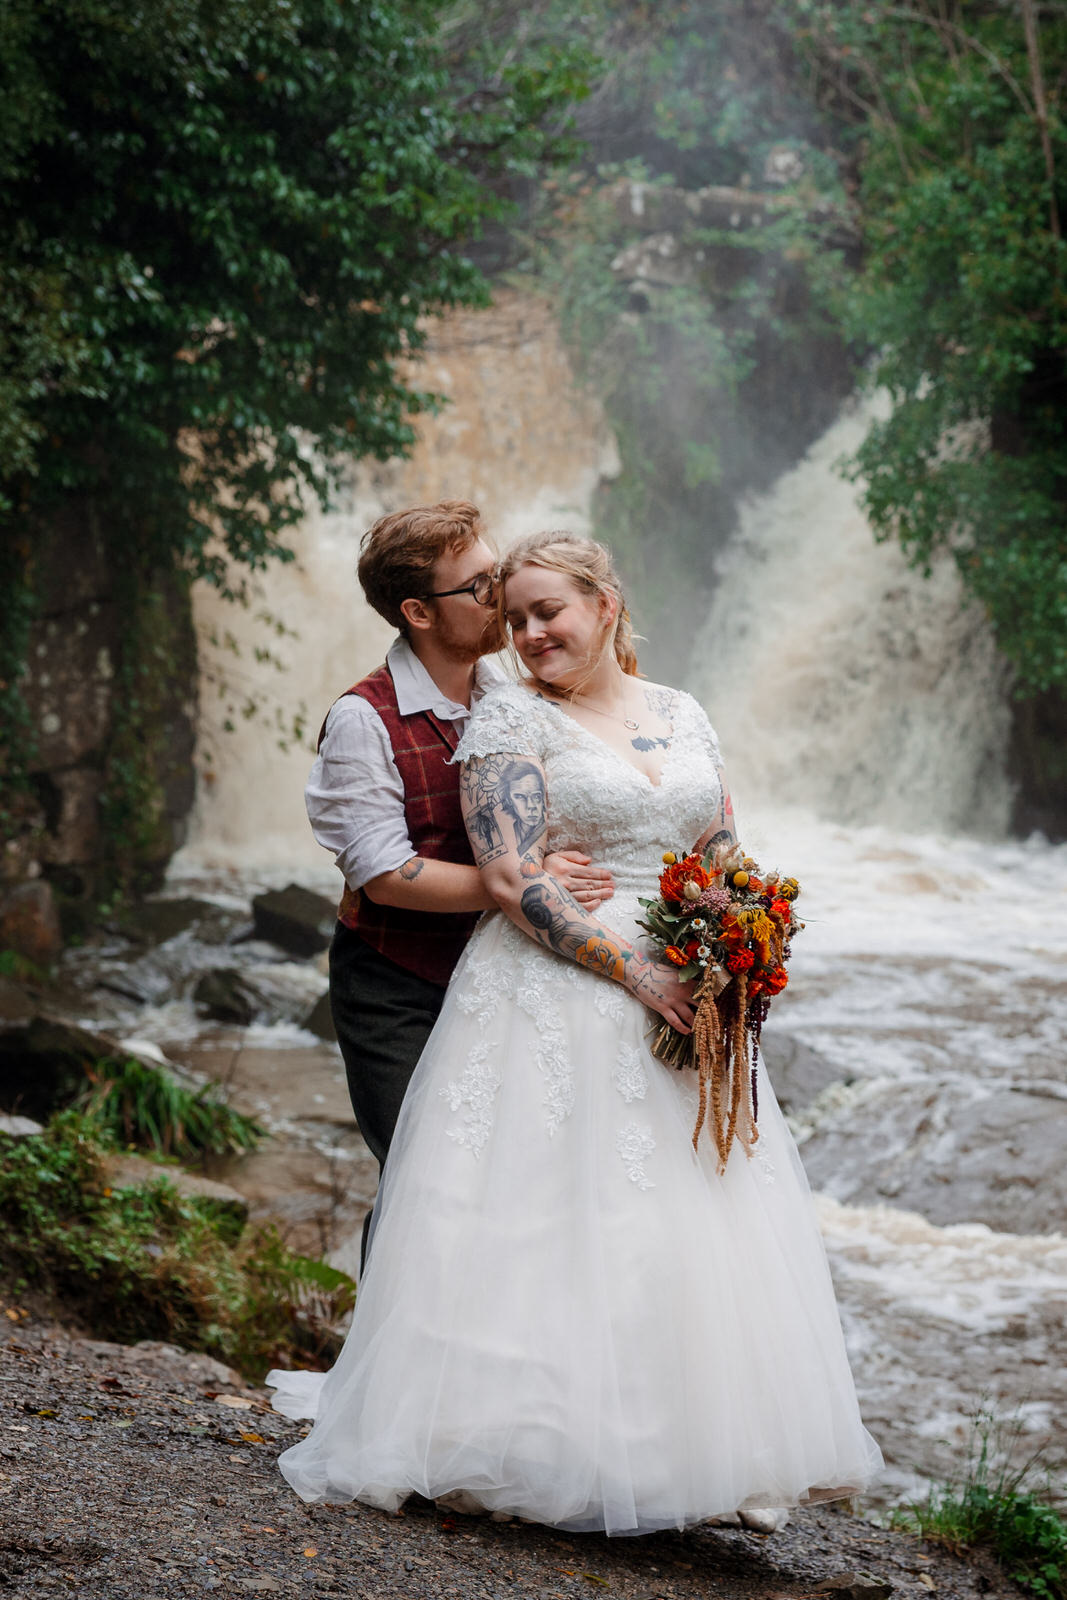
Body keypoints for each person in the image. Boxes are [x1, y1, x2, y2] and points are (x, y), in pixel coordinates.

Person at [271, 530, 882, 1534]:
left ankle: (690, 1456)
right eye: (511, 617)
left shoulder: (681, 711)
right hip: (553, 990)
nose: (528, 632)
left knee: (684, 1219)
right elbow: (511, 881)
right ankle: (527, 1439)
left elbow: (720, 845)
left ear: (606, 604)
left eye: (547, 610)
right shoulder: (506, 715)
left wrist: (743, 944)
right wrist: (638, 973)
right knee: (546, 1215)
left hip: (684, 985)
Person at [305, 503, 614, 1260]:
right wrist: (524, 883)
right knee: (424, 1180)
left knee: (511, 1183)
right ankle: (382, 1369)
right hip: (395, 986)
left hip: (506, 975)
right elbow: (385, 875)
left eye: (495, 572)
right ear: (416, 612)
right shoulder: (363, 719)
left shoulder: (511, 692)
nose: (499, 594)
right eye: (478, 585)